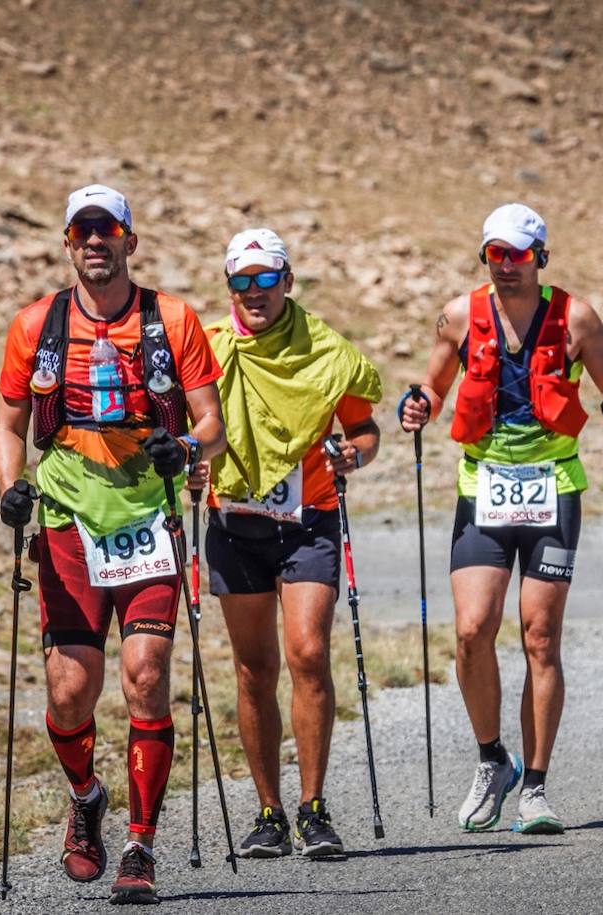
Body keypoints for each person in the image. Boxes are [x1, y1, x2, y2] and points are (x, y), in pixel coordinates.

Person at [0, 184, 226, 905]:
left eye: (107, 229)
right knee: (69, 692)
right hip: (66, 518)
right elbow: (7, 426)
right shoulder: (37, 324)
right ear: (68, 241)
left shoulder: (173, 319)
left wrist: (179, 445)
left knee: (147, 677)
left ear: (130, 240)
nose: (95, 240)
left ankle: (140, 844)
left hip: (148, 521)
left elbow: (212, 424)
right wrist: (11, 487)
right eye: (82, 230)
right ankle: (88, 797)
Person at [399, 203, 603, 835]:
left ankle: (535, 786)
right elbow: (432, 386)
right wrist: (417, 405)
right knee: (473, 630)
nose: (506, 266)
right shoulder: (459, 315)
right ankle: (491, 762)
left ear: (541, 258)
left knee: (539, 637)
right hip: (485, 487)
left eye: (519, 255)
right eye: (496, 254)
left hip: (553, 487)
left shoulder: (576, 317)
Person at [190, 227, 382, 858]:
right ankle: (268, 812)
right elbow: (191, 426)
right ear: (228, 287)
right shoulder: (209, 349)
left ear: (286, 282)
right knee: (253, 671)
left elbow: (366, 429)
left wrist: (350, 454)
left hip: (309, 522)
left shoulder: (327, 352)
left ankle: (314, 807)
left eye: (265, 279)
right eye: (241, 281)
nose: (253, 292)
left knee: (307, 654)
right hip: (234, 525)